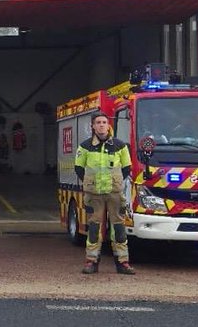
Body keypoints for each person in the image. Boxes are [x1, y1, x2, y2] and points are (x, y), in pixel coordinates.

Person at [74, 112, 135, 275]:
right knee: (94, 228)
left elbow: (127, 168)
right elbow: (78, 168)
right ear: (93, 126)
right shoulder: (85, 146)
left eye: (104, 122)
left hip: (114, 194)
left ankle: (123, 262)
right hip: (94, 195)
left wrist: (115, 183)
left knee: (119, 228)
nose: (101, 125)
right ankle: (91, 261)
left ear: (109, 126)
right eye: (98, 122)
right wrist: (90, 183)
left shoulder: (120, 146)